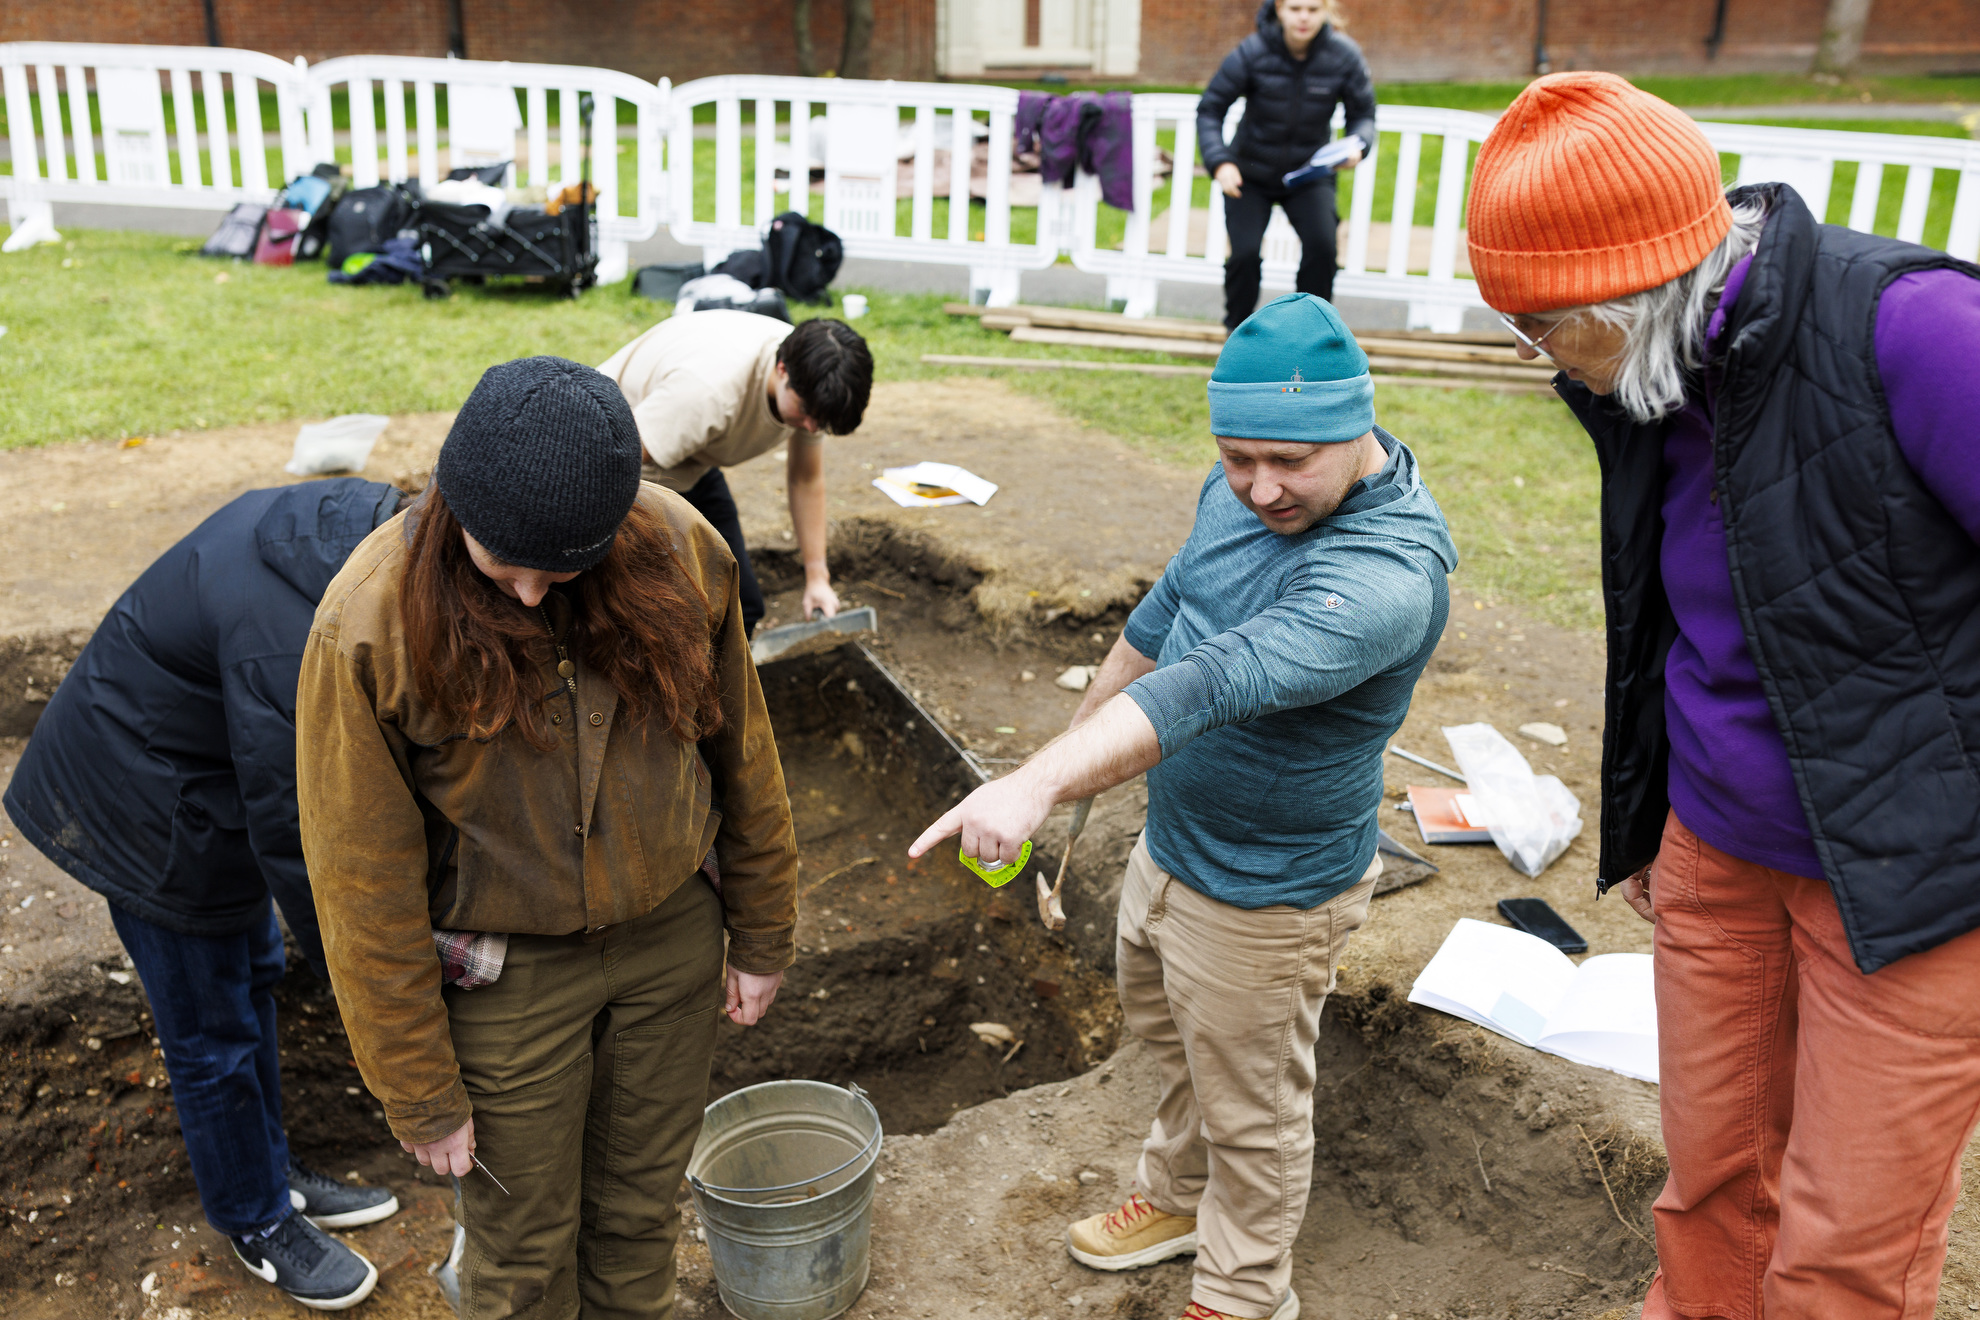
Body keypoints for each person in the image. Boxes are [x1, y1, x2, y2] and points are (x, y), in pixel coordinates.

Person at [1465, 72, 1980, 1320]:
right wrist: (1663, 815)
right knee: (1714, 1192)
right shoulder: (1650, 367)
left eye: (1545, 328)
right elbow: (1677, 606)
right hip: (1720, 852)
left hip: (1907, 880)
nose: (1536, 357)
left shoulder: (1917, 332)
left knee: (1843, 1253)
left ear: (1642, 285)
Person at [910, 294, 1457, 1320]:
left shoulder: (1384, 576)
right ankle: (1177, 1198)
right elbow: (1168, 618)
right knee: (1174, 1046)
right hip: (1175, 849)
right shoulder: (1242, 490)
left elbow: (1213, 679)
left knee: (1254, 1108)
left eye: (1289, 463)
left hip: (1270, 892)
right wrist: (1062, 753)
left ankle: (1244, 1290)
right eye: (1236, 456)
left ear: (1359, 428)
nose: (1258, 487)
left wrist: (1035, 784)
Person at [295, 357, 798, 1319]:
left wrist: (764, 929)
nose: (528, 593)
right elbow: (360, 880)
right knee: (522, 1257)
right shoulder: (369, 624)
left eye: (561, 567)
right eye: (502, 562)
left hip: (670, 946)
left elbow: (746, 747)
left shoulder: (682, 551)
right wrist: (421, 1091)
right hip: (505, 977)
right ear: (457, 509)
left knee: (641, 1218)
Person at [3, 479, 409, 1311]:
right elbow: (299, 832)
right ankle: (253, 1218)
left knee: (252, 969)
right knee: (209, 1028)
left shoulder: (376, 533)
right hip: (138, 801)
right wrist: (367, 979)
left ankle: (263, 1165)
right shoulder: (290, 634)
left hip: (196, 765)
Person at [597, 310, 874, 636]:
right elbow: (613, 465)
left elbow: (806, 479)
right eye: (806, 413)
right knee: (658, 613)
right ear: (782, 370)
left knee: (741, 605)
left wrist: (817, 577)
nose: (812, 428)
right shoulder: (709, 392)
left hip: (691, 462)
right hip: (621, 461)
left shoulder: (815, 376)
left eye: (821, 421)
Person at [1198, 0, 1375, 330]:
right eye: (1295, 8)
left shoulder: (1344, 56)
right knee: (1244, 254)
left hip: (1309, 176)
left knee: (1322, 249)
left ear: (1325, 11)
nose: (1304, 17)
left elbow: (1363, 115)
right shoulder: (1252, 51)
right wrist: (1220, 163)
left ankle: (1309, 335)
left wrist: (1359, 145)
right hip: (1249, 175)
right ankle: (1238, 332)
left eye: (1312, 8)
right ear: (1278, 9)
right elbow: (1210, 109)